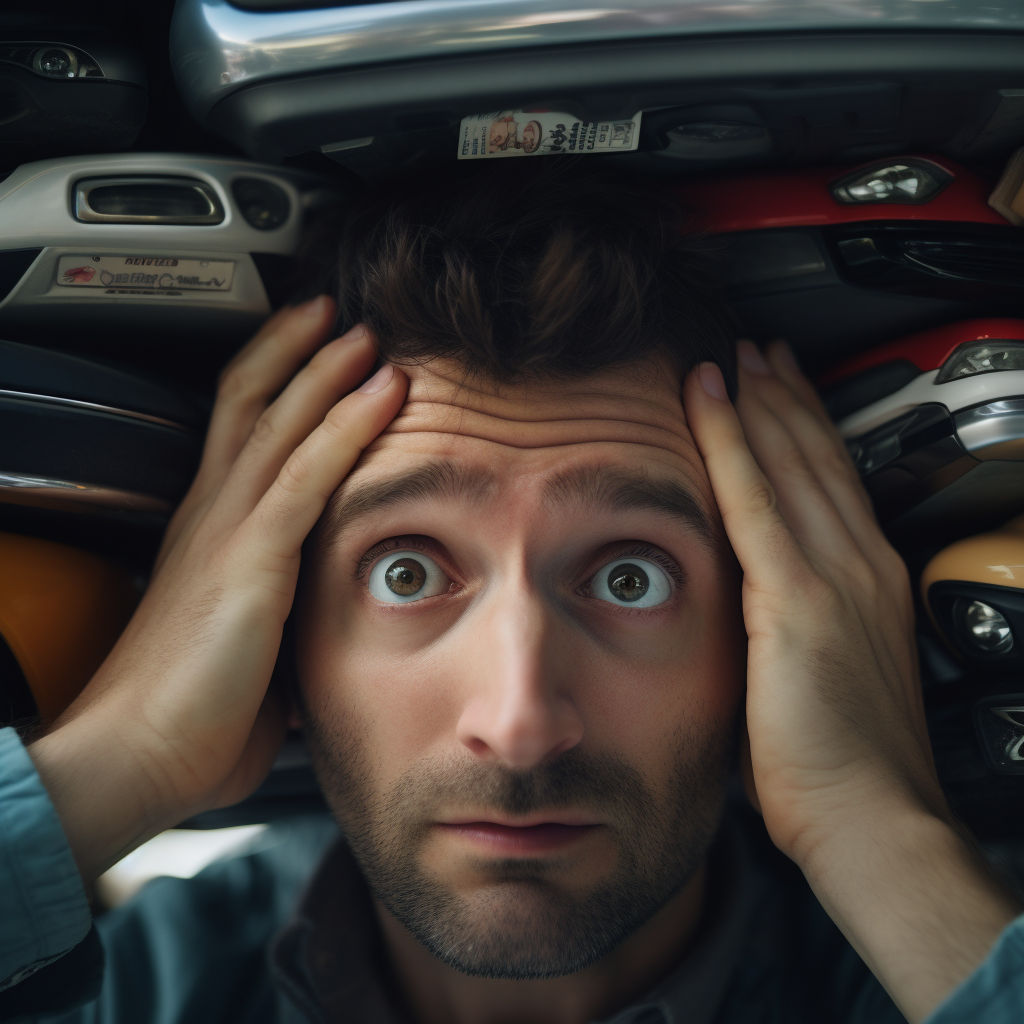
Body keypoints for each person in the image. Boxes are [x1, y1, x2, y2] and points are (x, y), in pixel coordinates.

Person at [2, 161, 1024, 1024]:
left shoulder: (931, 969)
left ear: (765, 635)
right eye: (406, 571)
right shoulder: (145, 993)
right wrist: (121, 757)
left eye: (633, 576)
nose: (520, 722)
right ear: (278, 641)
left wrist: (876, 829)